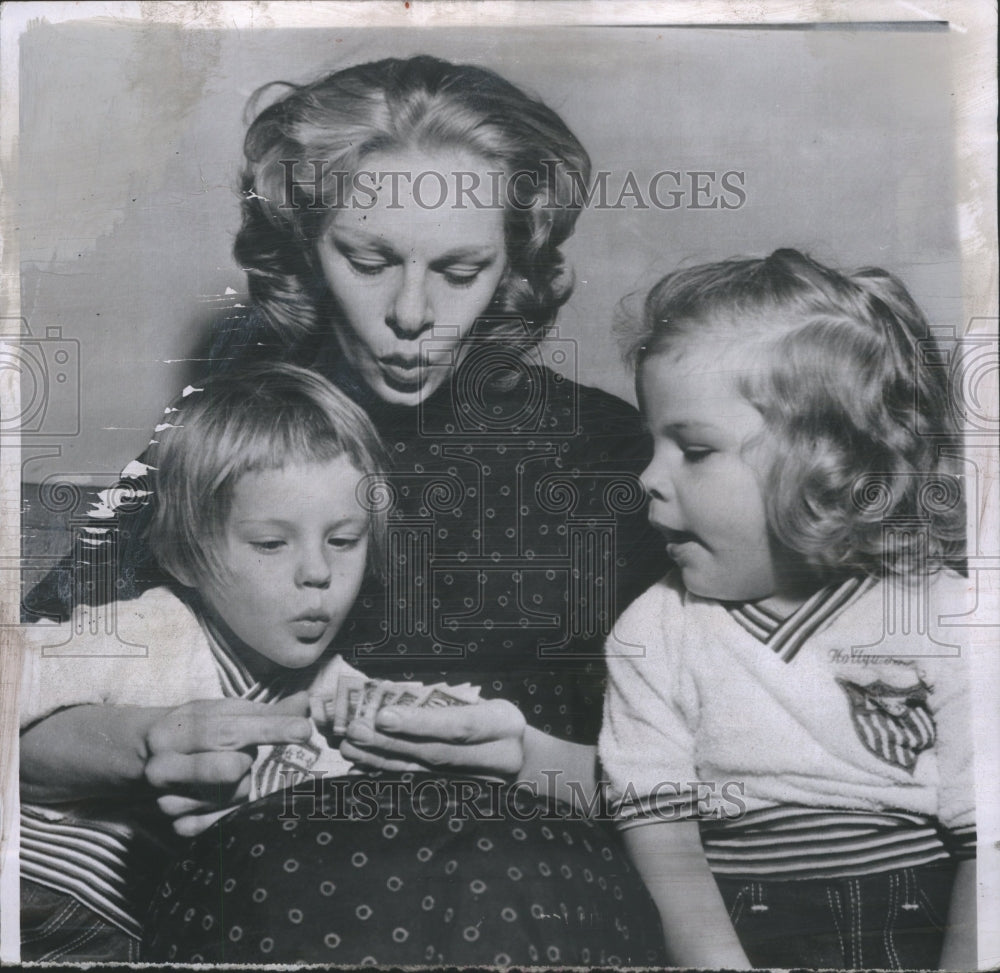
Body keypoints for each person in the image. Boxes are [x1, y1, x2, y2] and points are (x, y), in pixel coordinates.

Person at [26, 56, 667, 963]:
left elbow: (719, 777)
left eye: (461, 269)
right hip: (268, 886)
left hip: (541, 895)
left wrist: (526, 756)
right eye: (368, 259)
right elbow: (29, 705)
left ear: (516, 261)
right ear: (303, 242)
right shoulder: (234, 433)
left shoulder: (614, 455)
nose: (413, 313)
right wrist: (146, 741)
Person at [599, 248, 976, 970]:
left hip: (923, 922)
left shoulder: (944, 614)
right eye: (653, 443)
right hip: (740, 929)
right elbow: (660, 829)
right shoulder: (656, 630)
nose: (648, 477)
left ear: (829, 465)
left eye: (694, 449)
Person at [19, 363, 388, 961]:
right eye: (272, 543)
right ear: (183, 556)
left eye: (343, 540)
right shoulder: (148, 631)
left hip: (143, 939)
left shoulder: (347, 696)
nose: (319, 572)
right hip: (34, 893)